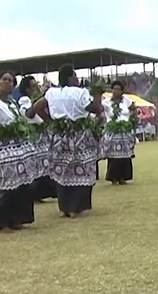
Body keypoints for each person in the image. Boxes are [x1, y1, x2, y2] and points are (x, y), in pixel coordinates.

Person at [28, 64, 104, 218]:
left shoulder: (52, 93)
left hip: (59, 136)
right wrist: (97, 93)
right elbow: (96, 108)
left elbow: (35, 108)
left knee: (63, 170)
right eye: (75, 75)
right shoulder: (80, 92)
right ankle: (76, 207)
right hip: (79, 135)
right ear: (70, 77)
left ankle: (65, 207)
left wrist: (49, 121)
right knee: (82, 169)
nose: (77, 78)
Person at [0, 71, 37, 232]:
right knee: (5, 186)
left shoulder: (12, 103)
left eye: (11, 81)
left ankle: (16, 219)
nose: (8, 83)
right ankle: (3, 223)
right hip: (3, 147)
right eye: (5, 79)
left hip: (17, 147)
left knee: (21, 184)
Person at [18, 75, 57, 202]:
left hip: (42, 135)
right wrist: (37, 103)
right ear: (27, 89)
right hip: (34, 135)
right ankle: (35, 194)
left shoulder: (39, 99)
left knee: (44, 165)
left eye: (37, 85)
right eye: (33, 86)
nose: (36, 88)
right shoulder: (24, 100)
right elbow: (28, 114)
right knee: (36, 166)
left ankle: (41, 194)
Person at [100, 81, 137, 185]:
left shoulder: (126, 100)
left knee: (125, 156)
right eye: (114, 89)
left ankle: (123, 177)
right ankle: (113, 177)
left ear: (122, 91)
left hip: (124, 131)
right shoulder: (106, 102)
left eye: (118, 89)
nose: (116, 91)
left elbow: (134, 109)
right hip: (112, 131)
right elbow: (100, 111)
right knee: (113, 156)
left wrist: (132, 120)